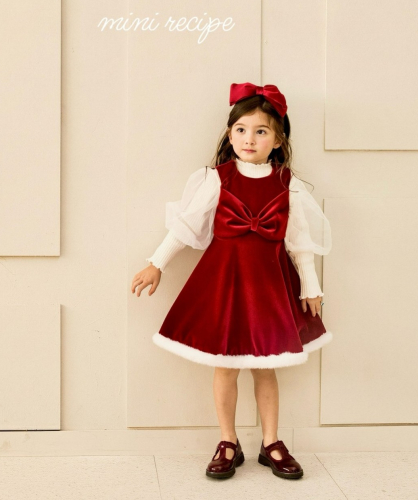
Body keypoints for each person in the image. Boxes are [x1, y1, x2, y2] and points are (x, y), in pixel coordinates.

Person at [130, 82, 333, 481]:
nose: (249, 139)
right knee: (224, 366)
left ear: (278, 140)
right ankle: (228, 441)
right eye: (241, 129)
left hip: (269, 286)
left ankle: (271, 442)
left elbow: (299, 241)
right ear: (229, 134)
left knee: (266, 366)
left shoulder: (286, 183)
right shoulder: (216, 179)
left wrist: (310, 285)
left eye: (260, 131)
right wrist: (156, 264)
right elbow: (187, 226)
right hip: (224, 283)